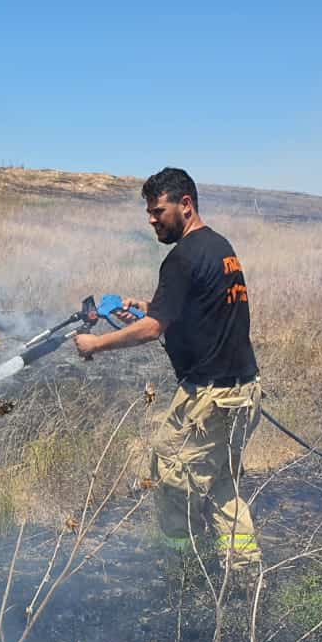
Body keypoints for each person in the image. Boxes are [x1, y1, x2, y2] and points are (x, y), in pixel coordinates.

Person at [73, 168, 262, 570]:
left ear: (186, 205)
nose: (152, 219)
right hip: (243, 391)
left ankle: (184, 568)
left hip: (211, 398)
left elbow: (153, 330)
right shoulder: (219, 247)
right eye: (149, 211)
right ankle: (245, 569)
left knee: (172, 474)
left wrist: (95, 344)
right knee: (221, 481)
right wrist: (145, 307)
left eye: (159, 210)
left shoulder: (182, 258)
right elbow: (195, 308)